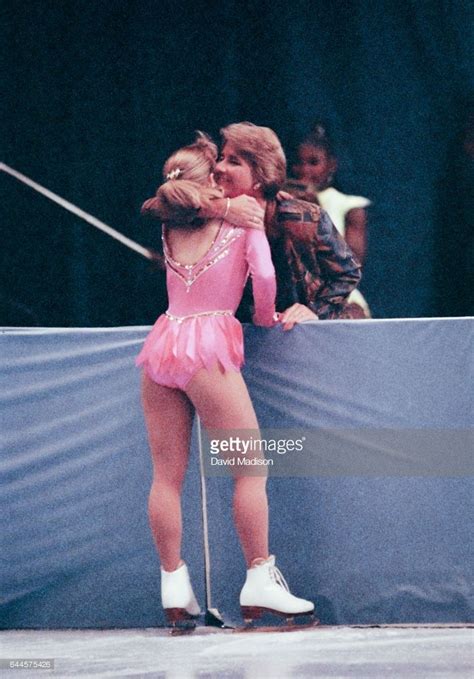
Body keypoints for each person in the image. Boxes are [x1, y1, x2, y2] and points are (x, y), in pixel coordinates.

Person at [137, 133, 314, 627]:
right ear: (207, 181)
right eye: (216, 169)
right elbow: (265, 280)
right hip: (208, 346)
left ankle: (174, 583)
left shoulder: (172, 225)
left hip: (163, 342)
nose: (222, 174)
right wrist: (261, 318)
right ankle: (260, 576)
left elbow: (181, 205)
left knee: (166, 478)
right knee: (250, 469)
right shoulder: (244, 220)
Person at [209, 122, 363, 328]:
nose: (219, 167)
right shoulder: (210, 210)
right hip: (238, 332)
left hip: (297, 331)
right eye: (221, 158)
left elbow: (348, 272)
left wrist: (314, 310)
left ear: (260, 176)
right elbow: (158, 206)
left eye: (234, 162)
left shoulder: (301, 217)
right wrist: (218, 208)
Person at [289, 122, 371, 317]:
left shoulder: (351, 206)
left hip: (339, 294)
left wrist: (316, 211)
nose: (304, 170)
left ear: (331, 165)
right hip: (293, 295)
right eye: (298, 162)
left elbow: (354, 266)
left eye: (313, 162)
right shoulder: (282, 200)